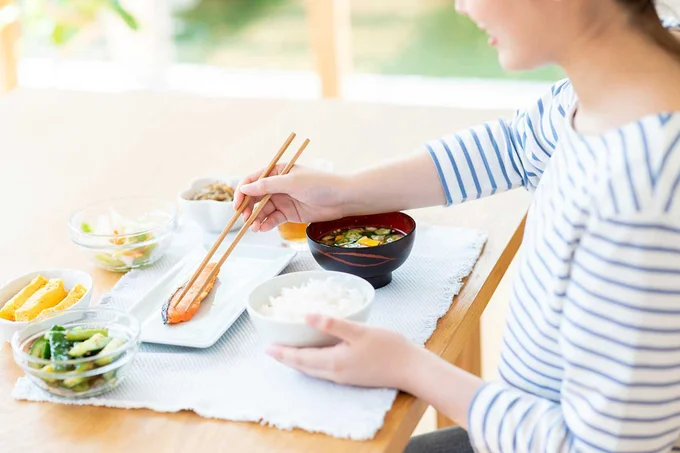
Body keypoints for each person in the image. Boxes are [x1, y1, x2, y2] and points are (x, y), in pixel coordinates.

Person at [234, 1, 680, 451]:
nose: (460, 5)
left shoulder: (642, 188)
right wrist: (344, 194)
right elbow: (514, 146)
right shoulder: (626, 73)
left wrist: (408, 367)